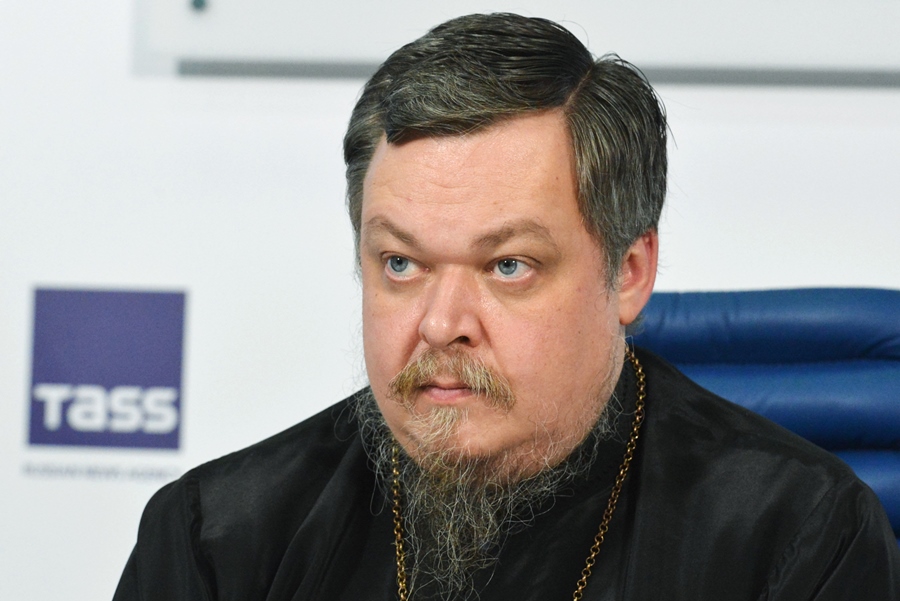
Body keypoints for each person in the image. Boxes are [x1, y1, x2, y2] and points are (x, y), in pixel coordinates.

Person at [113, 13, 899, 601]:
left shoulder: (798, 536)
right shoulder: (218, 538)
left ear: (629, 272)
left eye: (507, 265)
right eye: (401, 263)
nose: (440, 322)